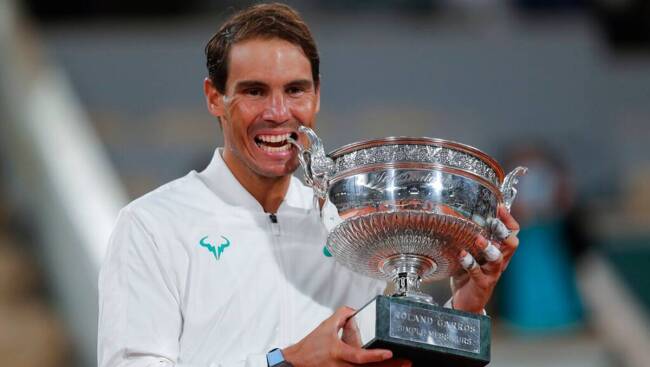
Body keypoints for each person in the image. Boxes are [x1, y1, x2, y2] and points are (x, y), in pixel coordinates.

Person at [97, 3, 521, 367]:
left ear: (316, 97)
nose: (278, 112)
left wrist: (466, 306)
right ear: (214, 98)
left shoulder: (351, 226)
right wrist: (285, 362)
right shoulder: (152, 225)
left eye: (295, 90)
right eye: (255, 91)